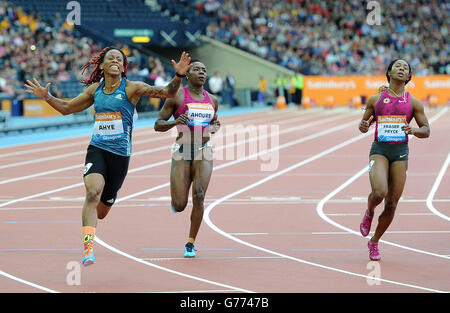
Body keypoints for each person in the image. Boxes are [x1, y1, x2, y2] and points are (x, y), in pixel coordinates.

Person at [24, 47, 192, 266]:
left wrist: (178, 75)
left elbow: (168, 92)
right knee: (92, 193)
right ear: (101, 65)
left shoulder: (132, 88)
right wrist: (47, 96)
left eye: (119, 59)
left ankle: (102, 210)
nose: (115, 61)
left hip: (120, 156)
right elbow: (66, 108)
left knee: (102, 211)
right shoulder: (95, 90)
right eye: (110, 58)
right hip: (98, 149)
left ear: (123, 67)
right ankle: (88, 249)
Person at [358, 59, 430, 261]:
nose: (401, 68)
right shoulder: (376, 99)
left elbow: (427, 130)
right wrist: (363, 126)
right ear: (389, 72)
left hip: (400, 153)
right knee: (380, 192)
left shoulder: (413, 102)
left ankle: (374, 242)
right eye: (397, 66)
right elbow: (364, 124)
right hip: (379, 150)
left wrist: (414, 130)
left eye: (405, 68)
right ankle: (370, 211)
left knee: (391, 204)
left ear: (409, 76)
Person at [154, 61, 220, 258]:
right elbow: (158, 124)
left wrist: (214, 127)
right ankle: (177, 200)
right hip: (182, 151)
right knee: (181, 204)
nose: (202, 72)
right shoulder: (177, 96)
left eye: (204, 69)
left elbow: (215, 122)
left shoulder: (212, 99)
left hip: (204, 150)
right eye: (196, 69)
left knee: (199, 195)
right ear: (188, 74)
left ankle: (190, 243)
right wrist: (175, 121)